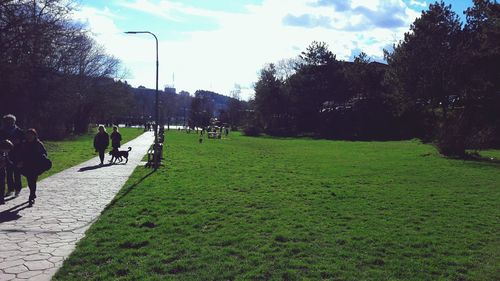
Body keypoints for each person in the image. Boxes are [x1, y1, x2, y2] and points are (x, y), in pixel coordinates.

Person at [17, 129, 47, 207]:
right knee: (30, 180)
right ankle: (32, 193)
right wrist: (20, 161)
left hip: (36, 165)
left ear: (35, 135)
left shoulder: (38, 144)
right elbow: (20, 154)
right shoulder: (24, 144)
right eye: (28, 135)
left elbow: (44, 153)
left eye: (31, 135)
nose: (29, 137)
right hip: (27, 165)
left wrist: (43, 157)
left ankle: (31, 195)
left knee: (32, 180)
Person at [0, 114, 24, 197]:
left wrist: (19, 142)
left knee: (17, 172)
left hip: (17, 154)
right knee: (9, 173)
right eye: (7, 121)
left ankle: (18, 188)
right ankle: (10, 189)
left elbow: (23, 143)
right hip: (6, 154)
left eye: (11, 121)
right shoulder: (2, 131)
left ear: (14, 121)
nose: (9, 123)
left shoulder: (19, 131)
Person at [0, 140, 14, 205]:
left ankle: (1, 199)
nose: (9, 151)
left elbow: (8, 161)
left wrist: (14, 165)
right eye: (8, 149)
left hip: (2, 170)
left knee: (2, 185)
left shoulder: (5, 153)